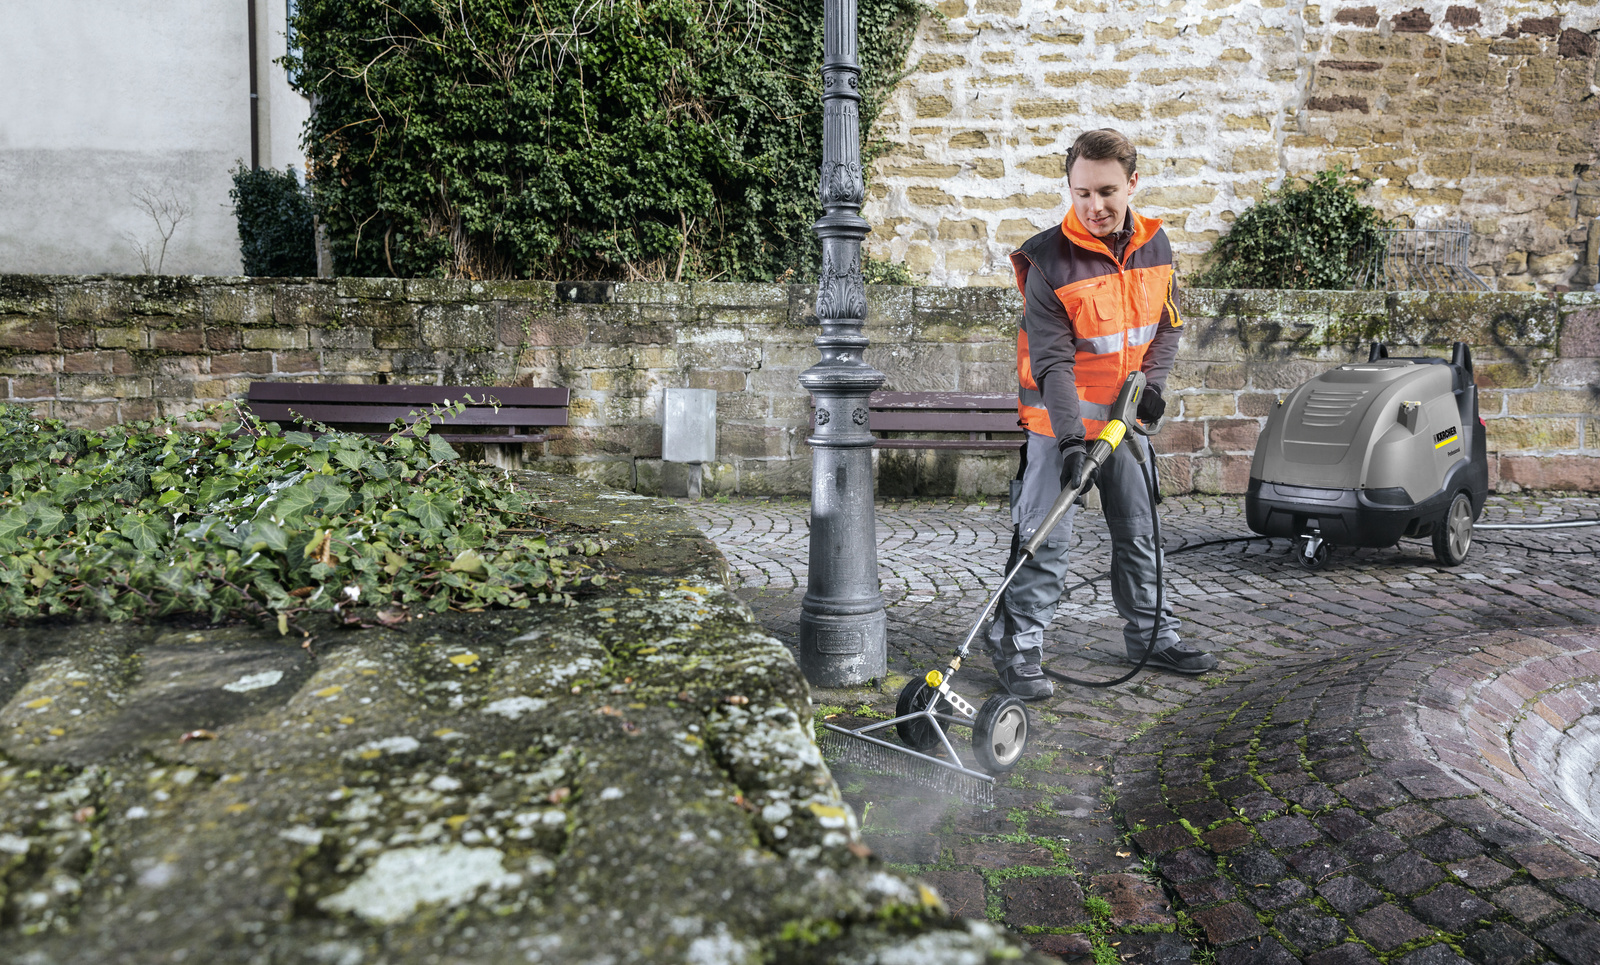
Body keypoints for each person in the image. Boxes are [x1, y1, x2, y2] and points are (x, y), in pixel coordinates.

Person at [987, 128, 1217, 700]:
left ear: (1132, 183)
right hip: (1058, 428)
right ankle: (1018, 648)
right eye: (1082, 192)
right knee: (1044, 538)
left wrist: (1152, 385)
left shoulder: (1156, 246)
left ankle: (1152, 637)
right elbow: (1053, 364)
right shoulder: (1046, 262)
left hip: (1124, 424)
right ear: (1069, 188)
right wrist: (1071, 443)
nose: (1095, 206)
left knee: (1140, 533)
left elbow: (1167, 327)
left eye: (1107, 191)